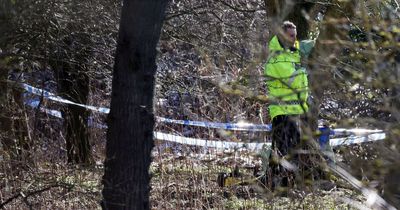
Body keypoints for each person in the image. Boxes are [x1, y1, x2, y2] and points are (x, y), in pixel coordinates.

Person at [264, 21, 314, 189]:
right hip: (282, 111)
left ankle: (280, 183)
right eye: (291, 36)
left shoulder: (293, 54)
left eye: (295, 35)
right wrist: (302, 66)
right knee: (283, 150)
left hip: (296, 111)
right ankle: (278, 184)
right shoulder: (276, 57)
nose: (294, 39)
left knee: (291, 151)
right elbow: (290, 80)